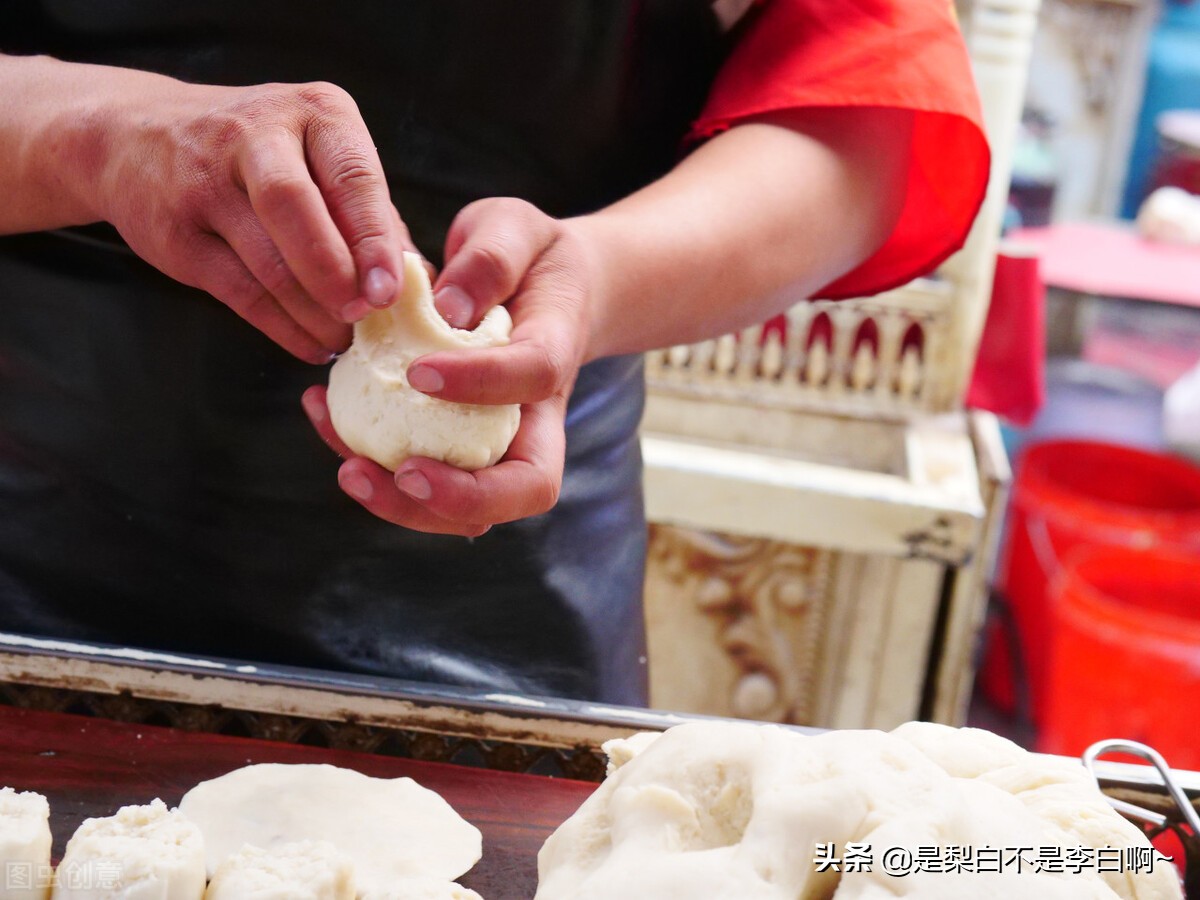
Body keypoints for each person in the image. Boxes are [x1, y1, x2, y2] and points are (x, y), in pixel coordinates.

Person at [0, 1, 988, 705]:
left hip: (508, 603)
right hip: (35, 549)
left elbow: (863, 121)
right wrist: (84, 136)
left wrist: (598, 279)